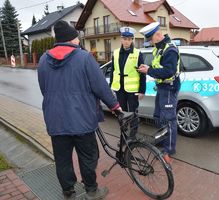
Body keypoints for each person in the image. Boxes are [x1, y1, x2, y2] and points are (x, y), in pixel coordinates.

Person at [37, 20, 121, 200]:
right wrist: (115, 106)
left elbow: (44, 89)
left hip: (56, 120)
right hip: (82, 119)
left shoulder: (43, 59)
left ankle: (68, 192)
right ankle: (91, 191)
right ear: (72, 39)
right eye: (77, 38)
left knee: (62, 159)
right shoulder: (84, 57)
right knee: (88, 157)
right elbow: (101, 87)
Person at [138, 22, 181, 162]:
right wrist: (149, 67)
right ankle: (162, 142)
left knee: (169, 119)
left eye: (150, 39)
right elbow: (159, 66)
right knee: (159, 116)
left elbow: (169, 71)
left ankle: (168, 150)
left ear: (157, 35)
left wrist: (149, 71)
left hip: (169, 88)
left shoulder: (170, 50)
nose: (150, 42)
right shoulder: (159, 48)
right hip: (162, 88)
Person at [110, 26, 146, 138]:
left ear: (132, 40)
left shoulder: (137, 53)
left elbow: (142, 73)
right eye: (125, 39)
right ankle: (124, 136)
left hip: (132, 90)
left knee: (133, 113)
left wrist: (142, 91)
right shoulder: (115, 53)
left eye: (129, 39)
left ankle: (133, 136)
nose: (127, 41)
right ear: (121, 39)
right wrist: (110, 86)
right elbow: (113, 71)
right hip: (119, 89)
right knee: (122, 113)